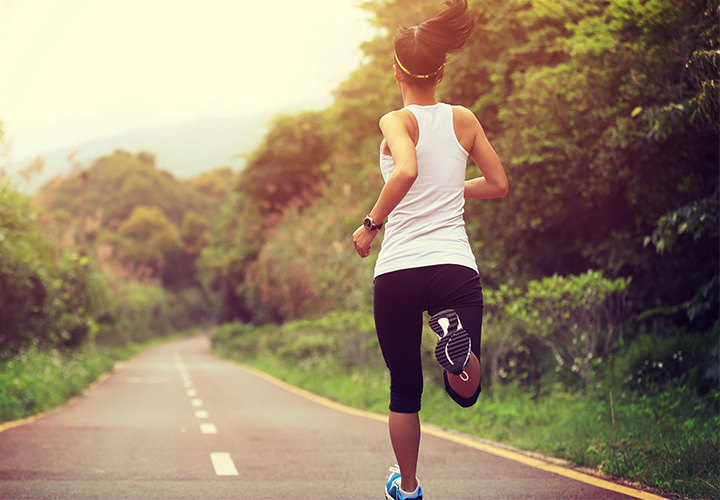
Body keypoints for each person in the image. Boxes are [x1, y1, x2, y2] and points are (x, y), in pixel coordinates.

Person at [351, 1, 509, 498]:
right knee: (465, 392)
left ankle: (410, 488)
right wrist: (452, 188)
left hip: (398, 267)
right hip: (453, 265)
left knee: (404, 389)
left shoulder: (395, 121)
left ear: (396, 70)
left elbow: (406, 171)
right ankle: (457, 356)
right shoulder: (464, 119)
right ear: (442, 70)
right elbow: (499, 184)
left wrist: (370, 225)